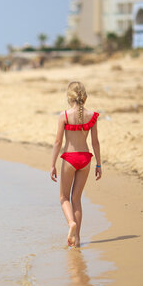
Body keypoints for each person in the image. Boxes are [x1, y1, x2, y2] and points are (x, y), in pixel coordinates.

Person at [50, 81, 102, 248]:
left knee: (64, 197)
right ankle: (77, 240)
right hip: (86, 159)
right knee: (76, 199)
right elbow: (95, 143)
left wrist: (52, 164)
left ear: (69, 97)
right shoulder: (92, 115)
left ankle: (71, 223)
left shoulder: (64, 116)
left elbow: (58, 141)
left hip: (70, 159)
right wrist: (99, 165)